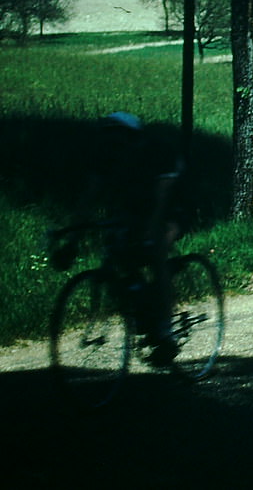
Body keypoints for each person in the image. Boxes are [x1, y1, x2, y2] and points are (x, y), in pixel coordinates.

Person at [53, 112, 186, 366]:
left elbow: (162, 198)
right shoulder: (105, 157)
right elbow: (88, 200)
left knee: (156, 250)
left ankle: (166, 331)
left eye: (120, 138)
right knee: (121, 253)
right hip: (136, 206)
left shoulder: (157, 151)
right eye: (110, 139)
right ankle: (141, 308)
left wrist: (150, 232)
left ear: (133, 138)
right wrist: (71, 239)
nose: (116, 145)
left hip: (173, 202)